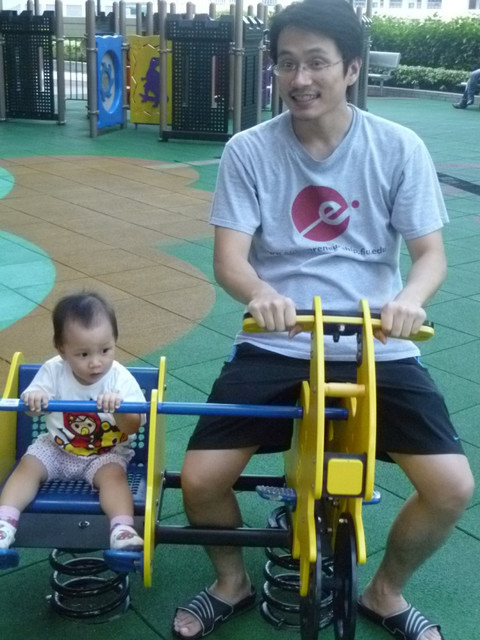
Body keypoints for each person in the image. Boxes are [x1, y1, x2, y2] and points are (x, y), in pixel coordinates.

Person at [172, 2, 475, 640]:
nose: (300, 78)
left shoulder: (397, 147)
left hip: (374, 339)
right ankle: (231, 582)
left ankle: (385, 593)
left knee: (451, 488)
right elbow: (230, 260)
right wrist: (261, 293)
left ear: (352, 69)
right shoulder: (249, 149)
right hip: (280, 338)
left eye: (317, 62)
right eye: (286, 63)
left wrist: (410, 299)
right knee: (200, 479)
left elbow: (430, 256)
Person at [0, 291, 146, 552]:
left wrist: (120, 410)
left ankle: (122, 530)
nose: (96, 362)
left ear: (115, 341)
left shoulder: (120, 379)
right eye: (83, 354)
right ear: (62, 350)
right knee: (27, 466)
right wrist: (34, 399)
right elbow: (31, 411)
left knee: (114, 477)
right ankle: (4, 523)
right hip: (57, 448)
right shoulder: (53, 370)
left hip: (105, 453)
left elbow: (132, 426)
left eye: (105, 350)